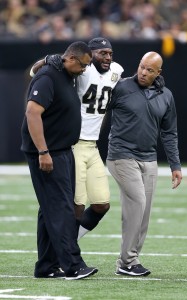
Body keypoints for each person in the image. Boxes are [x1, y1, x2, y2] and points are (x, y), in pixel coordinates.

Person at [30, 37, 124, 240]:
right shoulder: (82, 68)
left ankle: (70, 247)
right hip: (74, 144)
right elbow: (36, 72)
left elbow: (123, 86)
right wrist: (47, 59)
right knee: (77, 205)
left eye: (110, 53)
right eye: (102, 53)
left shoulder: (117, 70)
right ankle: (68, 255)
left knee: (101, 204)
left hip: (93, 146)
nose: (107, 57)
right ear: (90, 54)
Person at [21, 41, 98, 280]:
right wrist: (43, 152)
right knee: (62, 209)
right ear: (72, 59)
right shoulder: (48, 77)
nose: (84, 70)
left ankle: (46, 266)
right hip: (48, 153)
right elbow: (32, 113)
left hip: (62, 150)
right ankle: (73, 265)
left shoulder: (65, 72)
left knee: (49, 211)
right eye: (83, 65)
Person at [106, 51, 182, 277]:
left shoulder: (166, 95)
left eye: (150, 70)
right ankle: (127, 261)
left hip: (149, 159)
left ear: (159, 72)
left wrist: (175, 165)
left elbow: (169, 133)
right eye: (141, 66)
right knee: (137, 202)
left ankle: (130, 261)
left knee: (144, 211)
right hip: (121, 155)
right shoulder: (121, 87)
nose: (143, 72)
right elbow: (97, 112)